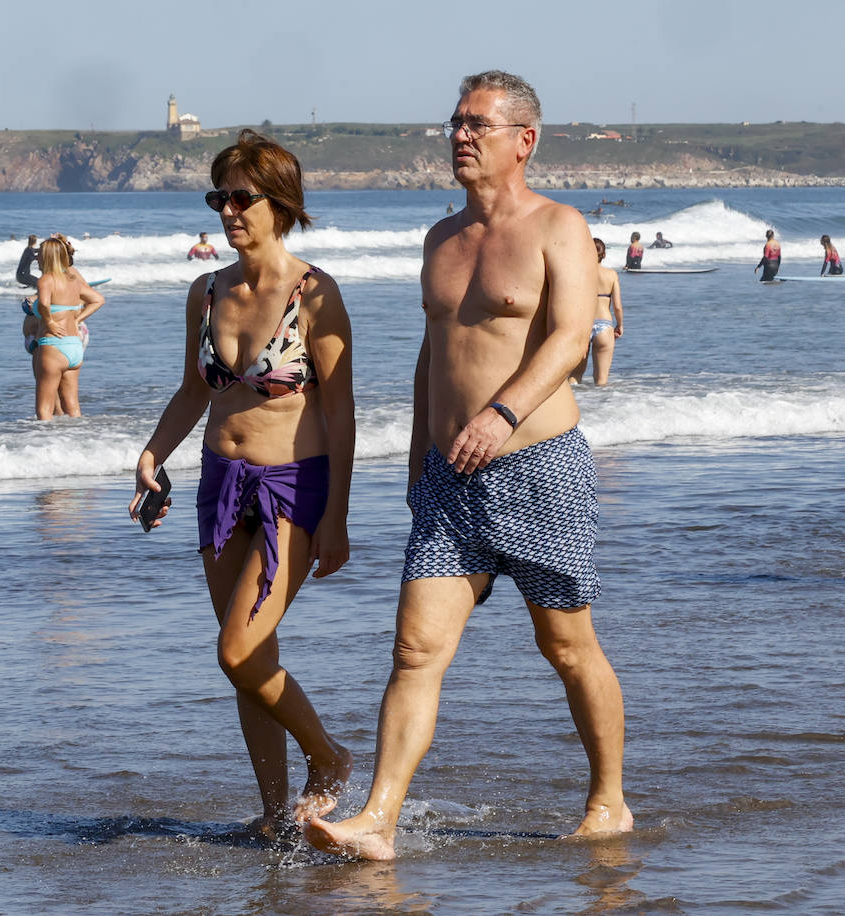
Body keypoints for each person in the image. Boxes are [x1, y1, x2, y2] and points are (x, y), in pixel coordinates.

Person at [305, 70, 631, 861]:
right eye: (454, 122)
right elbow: (435, 351)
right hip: (449, 482)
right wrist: (420, 450)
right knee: (415, 649)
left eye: (476, 124)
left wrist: (503, 412)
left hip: (539, 464)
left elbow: (568, 335)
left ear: (523, 140)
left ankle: (609, 800)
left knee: (566, 647)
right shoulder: (440, 238)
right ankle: (378, 819)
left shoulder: (559, 226)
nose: (459, 136)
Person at [129, 130, 355, 841]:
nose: (227, 210)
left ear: (279, 203)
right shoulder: (206, 290)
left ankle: (329, 756)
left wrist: (339, 518)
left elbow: (341, 411)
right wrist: (151, 455)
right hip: (219, 484)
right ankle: (273, 813)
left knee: (235, 650)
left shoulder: (315, 294)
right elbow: (194, 392)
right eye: (218, 197)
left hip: (295, 485)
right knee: (252, 660)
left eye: (241, 197)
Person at [32, 236, 104, 420]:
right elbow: (98, 299)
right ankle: (76, 442)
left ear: (47, 256)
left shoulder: (46, 280)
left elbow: (44, 305)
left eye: (39, 253)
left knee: (44, 410)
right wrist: (77, 319)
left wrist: (49, 322)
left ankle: (44, 446)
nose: (36, 257)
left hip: (53, 345)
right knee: (73, 408)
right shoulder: (73, 281)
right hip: (74, 345)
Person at [571, 238, 624, 386]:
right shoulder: (612, 275)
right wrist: (620, 325)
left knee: (574, 377)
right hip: (605, 326)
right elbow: (617, 306)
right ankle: (599, 408)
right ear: (604, 255)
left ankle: (578, 406)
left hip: (583, 324)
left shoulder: (578, 273)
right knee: (601, 381)